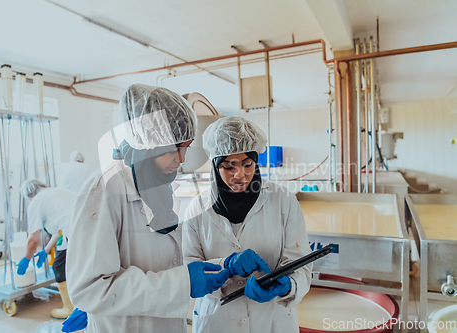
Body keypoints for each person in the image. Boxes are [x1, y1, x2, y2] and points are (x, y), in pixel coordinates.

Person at [64, 84, 229, 333]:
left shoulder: (158, 186)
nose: (182, 158)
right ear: (148, 141)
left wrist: (220, 265)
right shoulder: (105, 189)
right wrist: (182, 283)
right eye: (176, 147)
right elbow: (91, 287)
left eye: (186, 147)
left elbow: (161, 260)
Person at [182, 116, 312, 332]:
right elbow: (189, 269)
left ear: (256, 161)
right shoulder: (196, 209)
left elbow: (302, 264)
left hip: (272, 320)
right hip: (217, 320)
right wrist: (226, 266)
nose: (240, 175)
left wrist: (288, 286)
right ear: (215, 165)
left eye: (247, 164)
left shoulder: (282, 200)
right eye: (228, 167)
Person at [17, 179, 76, 319]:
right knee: (75, 266)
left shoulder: (36, 203)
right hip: (85, 227)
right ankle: (80, 305)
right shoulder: (55, 192)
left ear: (28, 196)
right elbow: (59, 227)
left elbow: (33, 240)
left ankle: (69, 308)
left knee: (59, 266)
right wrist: (46, 250)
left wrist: (26, 259)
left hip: (72, 231)